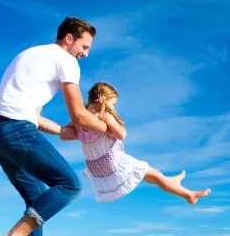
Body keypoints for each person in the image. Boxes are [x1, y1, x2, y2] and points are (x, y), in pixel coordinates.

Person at [0, 17, 111, 236]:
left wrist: (67, 132)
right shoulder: (66, 61)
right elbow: (79, 115)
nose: (85, 54)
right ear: (68, 39)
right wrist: (107, 129)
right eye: (84, 47)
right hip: (16, 129)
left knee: (36, 194)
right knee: (70, 185)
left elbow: (36, 117)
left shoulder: (30, 55)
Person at [74, 82, 211, 205]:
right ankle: (189, 195)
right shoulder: (104, 116)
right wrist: (108, 128)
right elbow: (122, 135)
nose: (113, 107)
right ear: (106, 100)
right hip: (111, 163)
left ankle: (171, 183)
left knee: (150, 175)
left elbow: (66, 136)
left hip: (95, 168)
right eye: (113, 104)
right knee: (155, 175)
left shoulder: (81, 117)